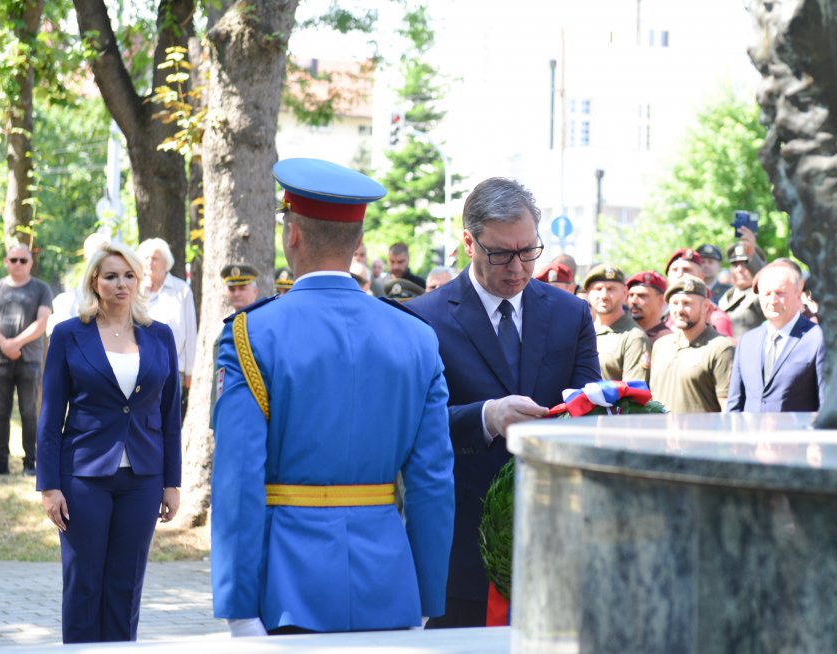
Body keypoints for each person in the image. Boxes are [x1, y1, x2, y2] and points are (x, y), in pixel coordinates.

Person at [211, 158, 454, 635]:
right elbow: (432, 483)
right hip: (388, 582)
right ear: (358, 240)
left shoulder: (250, 334)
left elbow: (238, 478)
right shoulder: (416, 338)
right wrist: (425, 594)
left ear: (292, 235)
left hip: (286, 586)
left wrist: (238, 607)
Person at [407, 177, 599, 628]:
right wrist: (485, 418)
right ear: (468, 242)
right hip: (461, 546)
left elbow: (588, 410)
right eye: (500, 254)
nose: (517, 267)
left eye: (528, 251)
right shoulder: (423, 318)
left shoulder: (570, 313)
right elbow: (411, 426)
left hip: (554, 536)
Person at [36, 241, 182, 643]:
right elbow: (50, 417)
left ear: (139, 280)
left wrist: (172, 482)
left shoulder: (160, 336)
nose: (121, 284)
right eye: (112, 276)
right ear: (94, 282)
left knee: (126, 584)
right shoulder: (69, 335)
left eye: (129, 275)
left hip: (143, 478)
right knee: (83, 583)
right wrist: (49, 486)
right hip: (83, 476)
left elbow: (170, 416)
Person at [0, 243, 53, 476]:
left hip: (29, 360)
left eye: (23, 260)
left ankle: (30, 462)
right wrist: (4, 344)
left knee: (29, 412)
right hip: (0, 360)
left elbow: (42, 322)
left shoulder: (41, 288)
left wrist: (16, 344)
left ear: (31, 262)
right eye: (13, 260)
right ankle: (0, 462)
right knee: (1, 413)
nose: (18, 264)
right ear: (6, 262)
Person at [727, 261, 824, 413]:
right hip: (751, 428)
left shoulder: (817, 339)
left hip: (798, 428)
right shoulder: (747, 341)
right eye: (766, 294)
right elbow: (735, 405)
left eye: (780, 293)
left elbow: (825, 404)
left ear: (798, 294)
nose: (772, 301)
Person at [650, 276, 734, 413]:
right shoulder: (661, 345)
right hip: (661, 426)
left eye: (687, 303)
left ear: (705, 306)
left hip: (702, 427)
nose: (680, 309)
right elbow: (653, 397)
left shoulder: (720, 348)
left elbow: (728, 407)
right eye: (675, 303)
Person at [137, 238, 197, 418]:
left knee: (169, 420)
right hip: (140, 369)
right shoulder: (136, 292)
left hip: (173, 369)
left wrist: (189, 372)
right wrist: (143, 292)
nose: (149, 262)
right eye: (146, 258)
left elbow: (190, 333)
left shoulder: (181, 290)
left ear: (165, 262)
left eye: (154, 258)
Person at [584, 264, 650, 382]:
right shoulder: (585, 332)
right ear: (589, 293)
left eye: (611, 289)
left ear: (624, 293)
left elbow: (634, 390)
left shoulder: (634, 337)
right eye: (598, 289)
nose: (604, 296)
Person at [664, 248, 733, 337]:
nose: (679, 274)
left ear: (701, 277)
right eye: (674, 270)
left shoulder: (716, 318)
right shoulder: (664, 314)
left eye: (686, 270)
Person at [716, 242, 765, 338]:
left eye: (746, 264)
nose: (739, 269)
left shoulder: (762, 294)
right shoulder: (725, 297)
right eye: (735, 264)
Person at [626, 271, 671, 345]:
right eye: (631, 295)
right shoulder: (623, 334)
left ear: (661, 300)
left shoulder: (667, 341)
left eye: (642, 296)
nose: (633, 301)